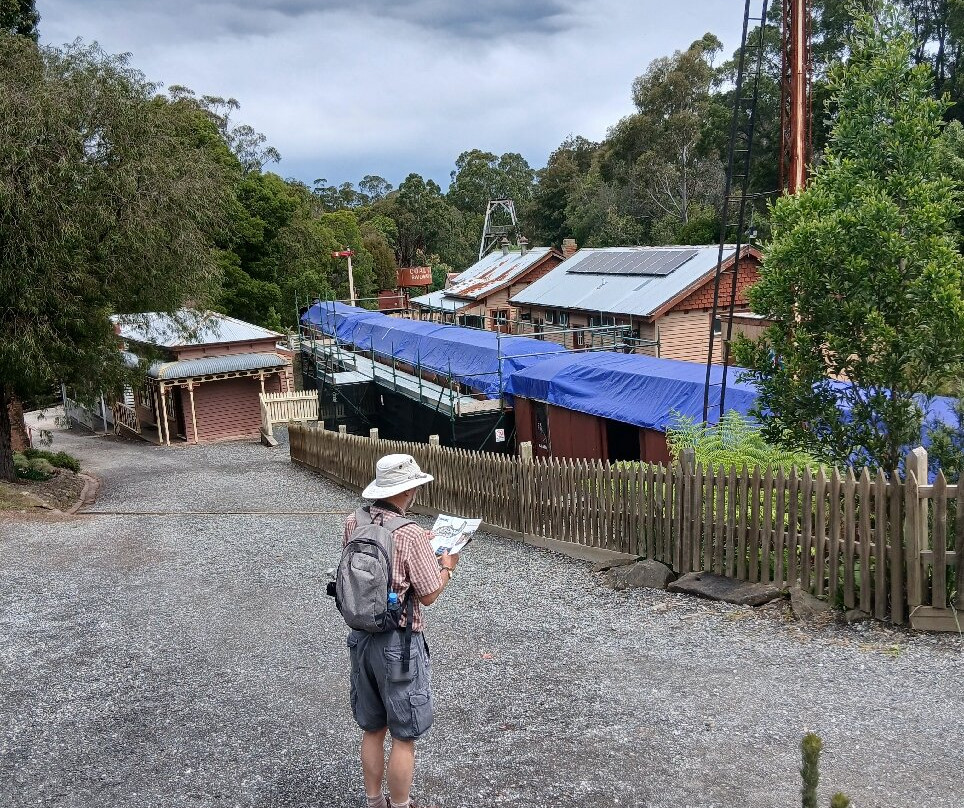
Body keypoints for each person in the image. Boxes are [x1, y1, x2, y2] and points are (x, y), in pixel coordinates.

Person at [343, 454, 459, 808]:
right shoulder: (409, 535)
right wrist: (447, 567)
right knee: (404, 735)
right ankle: (402, 804)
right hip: (400, 645)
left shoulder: (353, 520)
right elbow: (428, 596)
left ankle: (374, 802)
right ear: (408, 490)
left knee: (373, 728)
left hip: (361, 638)